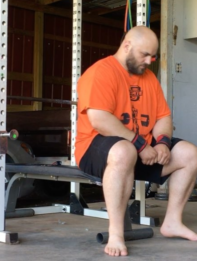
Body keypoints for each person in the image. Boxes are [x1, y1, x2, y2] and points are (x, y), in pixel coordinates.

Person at [75, 26, 197, 257]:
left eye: (153, 56)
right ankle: (116, 233)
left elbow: (163, 116)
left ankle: (172, 222)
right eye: (145, 54)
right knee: (124, 151)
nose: (149, 61)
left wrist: (161, 142)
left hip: (141, 149)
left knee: (189, 153)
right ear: (127, 46)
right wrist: (141, 145)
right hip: (96, 149)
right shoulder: (100, 72)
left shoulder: (149, 78)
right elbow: (99, 120)